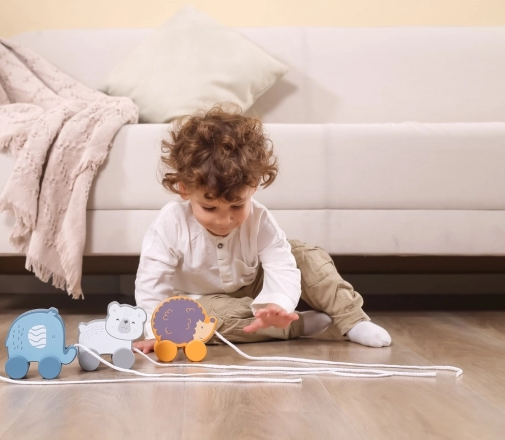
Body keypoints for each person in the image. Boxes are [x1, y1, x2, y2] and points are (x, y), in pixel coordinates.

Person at [133, 105, 391, 354]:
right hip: (199, 299)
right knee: (201, 322)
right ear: (185, 189)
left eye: (236, 206)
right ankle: (296, 325)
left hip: (253, 283)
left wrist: (276, 304)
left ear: (253, 186)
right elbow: (152, 282)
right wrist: (154, 332)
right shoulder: (171, 222)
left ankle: (352, 319)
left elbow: (281, 265)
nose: (224, 220)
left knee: (304, 254)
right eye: (209, 208)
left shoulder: (260, 219)